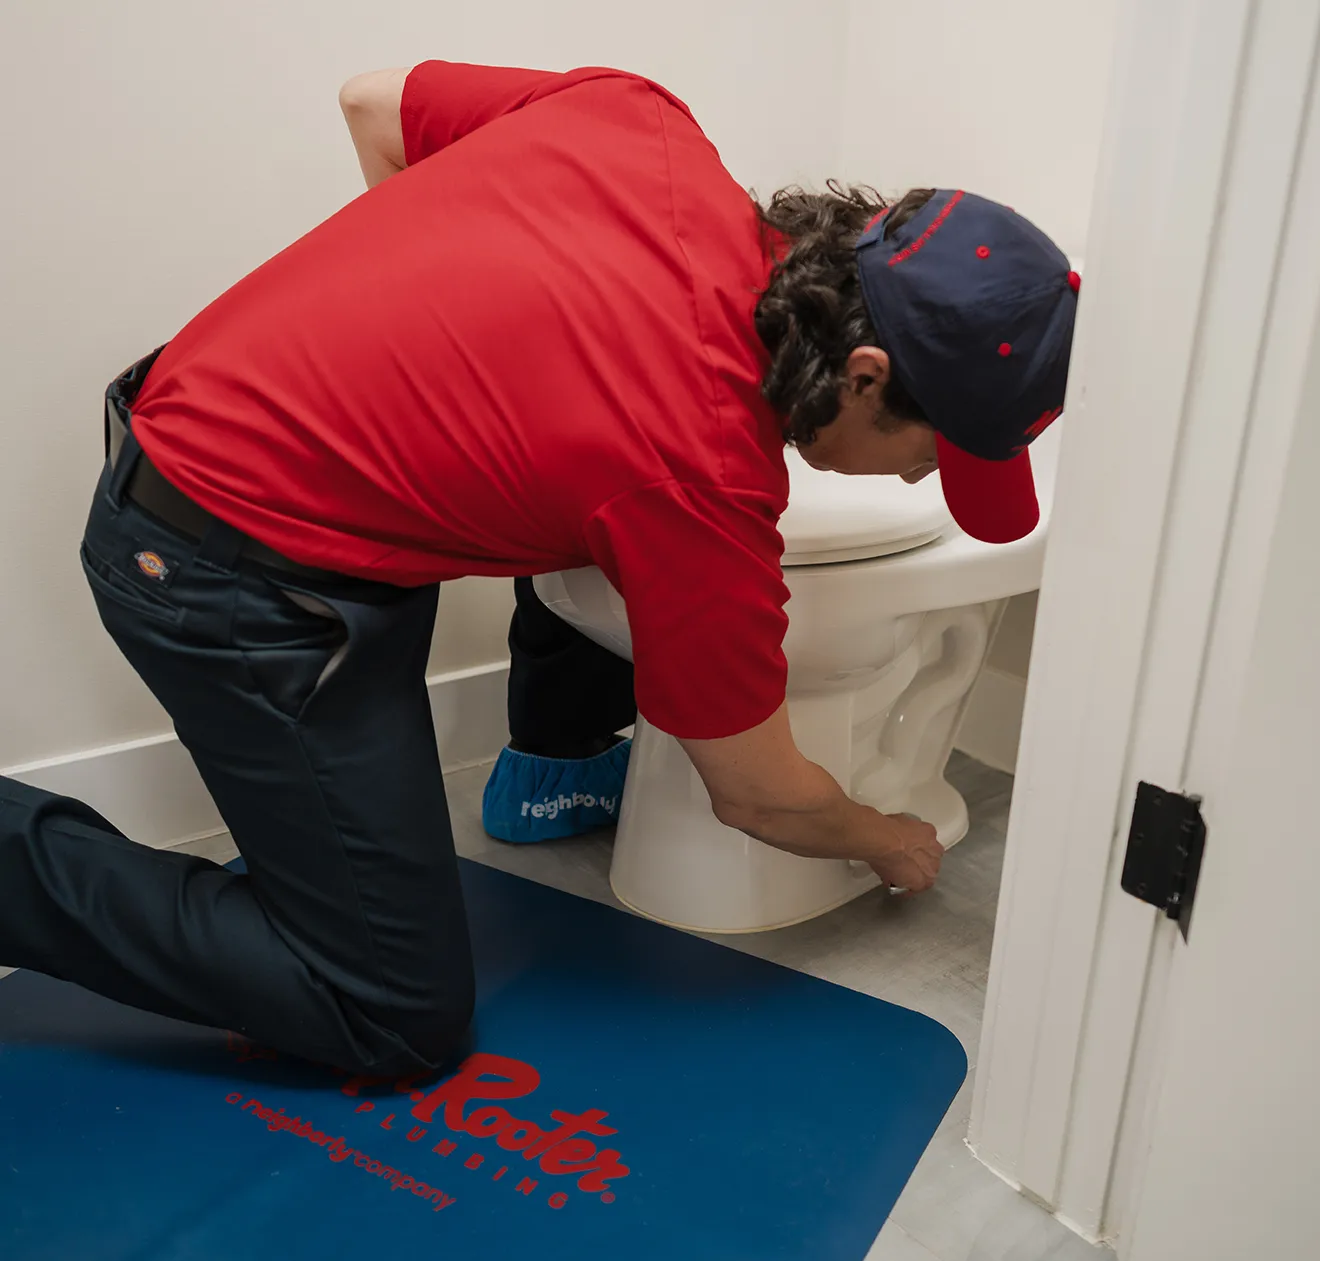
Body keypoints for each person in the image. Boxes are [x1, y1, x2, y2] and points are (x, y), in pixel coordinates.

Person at [0, 61, 1077, 1077]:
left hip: (217, 456)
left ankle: (548, 768)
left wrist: (419, 359)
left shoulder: (641, 124)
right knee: (388, 1008)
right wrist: (883, 837)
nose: (913, 486)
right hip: (219, 573)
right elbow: (756, 795)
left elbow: (375, 103)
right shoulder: (698, 477)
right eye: (929, 456)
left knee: (586, 510)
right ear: (864, 374)